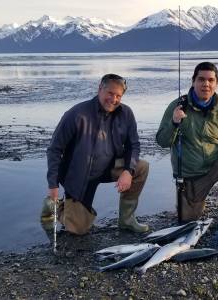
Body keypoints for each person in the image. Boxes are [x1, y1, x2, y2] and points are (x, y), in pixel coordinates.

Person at [45, 74, 150, 235]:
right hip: (80, 176)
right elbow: (54, 149)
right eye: (110, 93)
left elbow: (133, 145)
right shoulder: (76, 114)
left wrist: (128, 171)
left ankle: (126, 220)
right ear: (100, 88)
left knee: (141, 167)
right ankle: (61, 208)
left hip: (109, 167)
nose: (113, 99)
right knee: (78, 230)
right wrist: (53, 185)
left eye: (118, 96)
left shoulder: (126, 113)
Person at [156, 62, 218, 223]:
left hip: (215, 165)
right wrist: (174, 122)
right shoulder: (177, 106)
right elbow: (162, 142)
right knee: (187, 221)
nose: (206, 84)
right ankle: (193, 201)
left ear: (216, 83)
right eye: (201, 79)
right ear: (193, 82)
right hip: (189, 178)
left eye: (211, 80)